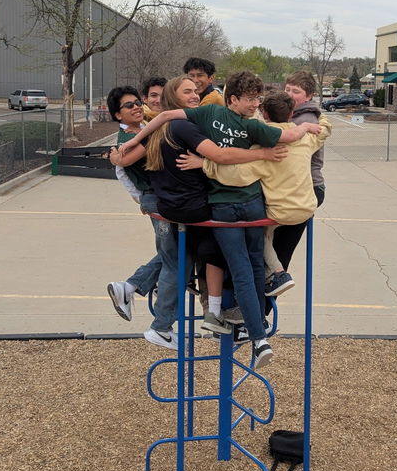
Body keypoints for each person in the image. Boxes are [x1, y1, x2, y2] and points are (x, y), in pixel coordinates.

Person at [119, 71, 322, 368]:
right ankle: (255, 332)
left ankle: (235, 318)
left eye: (258, 99)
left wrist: (132, 141)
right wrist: (303, 128)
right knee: (236, 266)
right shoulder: (234, 122)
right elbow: (277, 142)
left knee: (239, 266)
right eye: (249, 99)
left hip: (229, 205)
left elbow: (163, 121)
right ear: (233, 99)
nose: (254, 104)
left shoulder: (211, 115)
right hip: (230, 205)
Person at [178, 91, 330, 301]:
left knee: (259, 234)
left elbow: (237, 175)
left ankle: (277, 273)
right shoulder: (305, 139)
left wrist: (203, 163)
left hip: (280, 212)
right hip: (306, 207)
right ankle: (272, 281)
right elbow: (323, 132)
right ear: (292, 113)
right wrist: (319, 117)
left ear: (264, 114)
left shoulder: (263, 146)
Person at [105, 85, 162, 315]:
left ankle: (147, 286)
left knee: (176, 251)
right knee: (177, 252)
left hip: (155, 197)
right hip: (156, 197)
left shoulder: (141, 130)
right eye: (129, 105)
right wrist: (141, 198)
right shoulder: (130, 138)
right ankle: (131, 287)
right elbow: (123, 166)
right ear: (118, 114)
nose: (137, 107)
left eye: (138, 102)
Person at [271, 71, 328, 275]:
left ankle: (265, 301)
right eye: (287, 89)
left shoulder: (304, 119)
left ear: (309, 96)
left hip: (306, 188)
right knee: (271, 247)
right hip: (295, 187)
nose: (289, 94)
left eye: (296, 91)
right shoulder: (293, 115)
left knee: (280, 250)